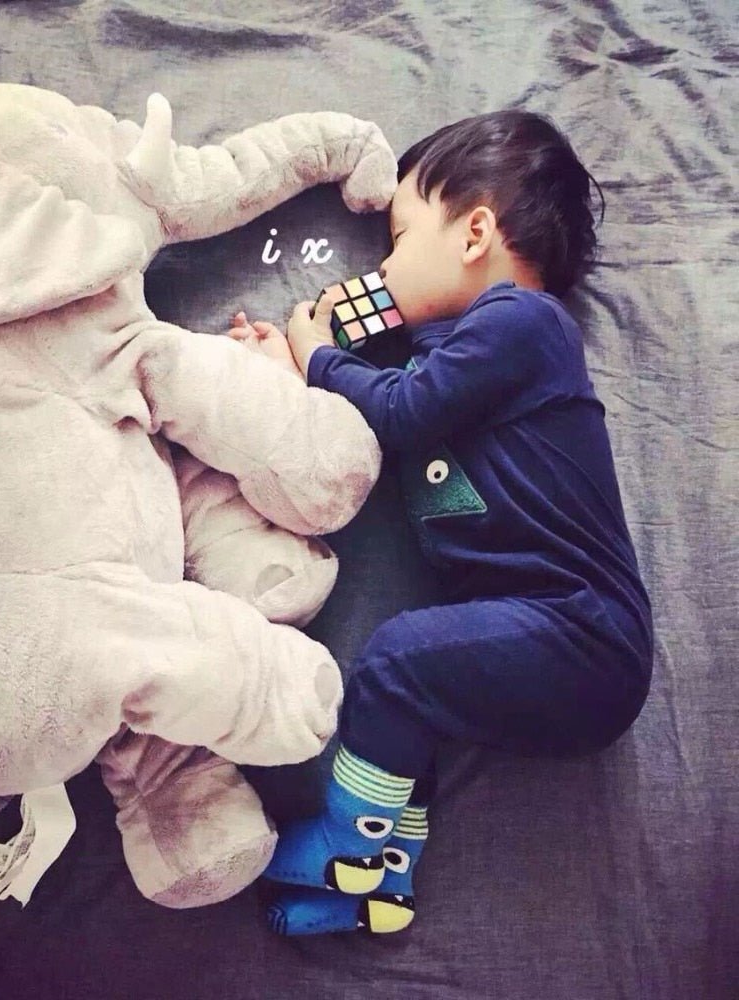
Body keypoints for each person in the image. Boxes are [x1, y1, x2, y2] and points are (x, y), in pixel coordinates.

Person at [227, 109, 654, 936]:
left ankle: (342, 840)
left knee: (395, 658)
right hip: (533, 645)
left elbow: (400, 414)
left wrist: (319, 354)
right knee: (415, 692)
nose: (382, 266)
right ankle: (379, 880)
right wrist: (282, 384)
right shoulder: (451, 358)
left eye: (397, 237)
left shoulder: (526, 325)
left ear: (475, 232)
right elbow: (373, 427)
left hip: (583, 631)